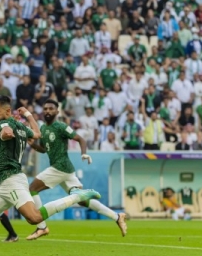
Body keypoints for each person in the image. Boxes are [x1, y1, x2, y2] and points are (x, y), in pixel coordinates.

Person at [0, 96, 100, 256]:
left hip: (13, 180)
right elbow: (37, 133)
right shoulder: (20, 126)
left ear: (7, 111)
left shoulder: (5, 125)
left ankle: (77, 196)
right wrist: (28, 115)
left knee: (34, 218)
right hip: (5, 184)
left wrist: (7, 132)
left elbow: (6, 131)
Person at [27, 99, 127, 239]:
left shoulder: (61, 126)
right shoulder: (43, 128)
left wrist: (84, 153)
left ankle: (42, 227)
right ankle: (117, 216)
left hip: (60, 167)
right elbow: (44, 149)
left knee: (32, 189)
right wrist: (33, 145)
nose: (47, 111)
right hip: (65, 170)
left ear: (57, 111)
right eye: (45, 108)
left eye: (51, 109)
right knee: (82, 200)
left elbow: (81, 139)